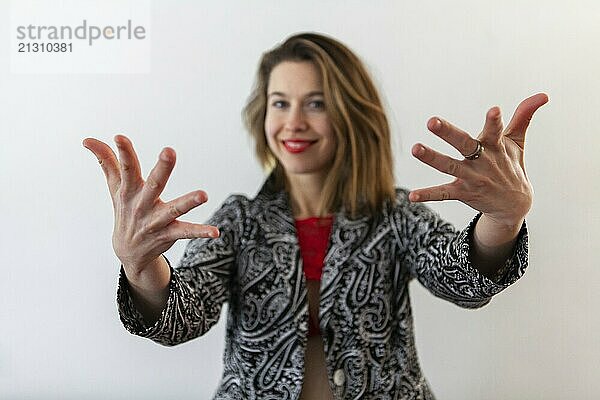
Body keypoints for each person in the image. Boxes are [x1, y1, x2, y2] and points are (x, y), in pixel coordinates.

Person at [83, 32, 547, 399]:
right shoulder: (240, 221)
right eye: (280, 102)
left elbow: (461, 278)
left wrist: (502, 220)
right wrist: (141, 266)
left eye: (317, 103)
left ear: (350, 114)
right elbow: (183, 315)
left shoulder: (393, 215)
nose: (294, 121)